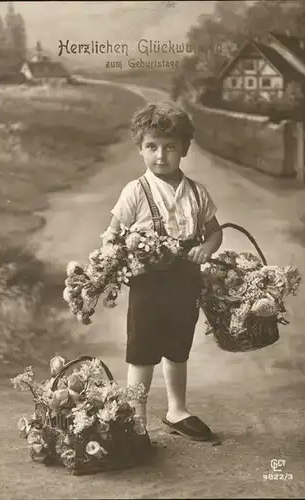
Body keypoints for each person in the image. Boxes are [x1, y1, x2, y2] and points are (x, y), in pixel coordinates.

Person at [103, 101, 222, 442]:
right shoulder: (135, 191)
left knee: (178, 344)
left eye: (170, 147)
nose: (161, 156)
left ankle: (176, 410)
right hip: (147, 281)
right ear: (140, 149)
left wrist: (207, 248)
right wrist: (119, 258)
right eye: (152, 147)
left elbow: (214, 230)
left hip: (185, 279)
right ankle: (135, 418)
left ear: (185, 148)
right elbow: (113, 234)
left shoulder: (197, 192)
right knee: (142, 349)